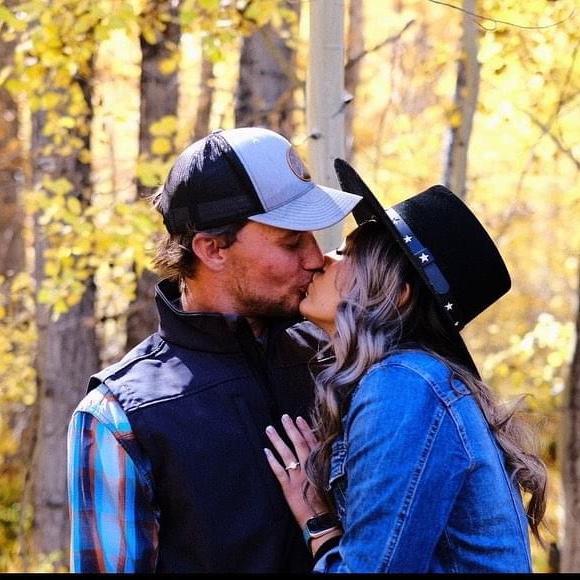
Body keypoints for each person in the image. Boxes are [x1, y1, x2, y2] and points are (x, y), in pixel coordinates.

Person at [66, 127, 362, 573]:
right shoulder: (119, 416)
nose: (315, 257)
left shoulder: (336, 359)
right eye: (290, 241)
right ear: (212, 249)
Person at [264, 159, 548, 573]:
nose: (323, 258)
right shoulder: (413, 382)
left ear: (396, 293)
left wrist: (317, 522)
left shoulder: (402, 387)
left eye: (346, 253)